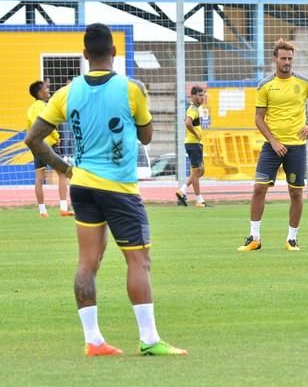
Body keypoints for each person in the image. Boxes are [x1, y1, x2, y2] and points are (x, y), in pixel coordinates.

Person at [24, 23, 187, 356]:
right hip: (119, 189)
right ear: (114, 52)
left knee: (87, 263)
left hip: (82, 186)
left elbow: (33, 139)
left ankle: (94, 340)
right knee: (139, 261)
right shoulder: (132, 88)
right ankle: (149, 339)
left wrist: (65, 169)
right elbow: (146, 137)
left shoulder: (67, 92)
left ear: (85, 55)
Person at [238, 39, 308, 252]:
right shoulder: (265, 85)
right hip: (272, 147)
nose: (287, 62)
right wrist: (273, 141)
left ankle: (291, 239)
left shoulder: (304, 83)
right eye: (283, 58)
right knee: (259, 188)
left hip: (297, 147)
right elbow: (259, 118)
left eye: (290, 58)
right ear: (275, 59)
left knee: (296, 193)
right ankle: (254, 237)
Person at [26, 80, 74, 218]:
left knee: (39, 178)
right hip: (49, 144)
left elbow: (30, 127)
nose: (49, 90)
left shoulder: (30, 109)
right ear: (40, 92)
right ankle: (63, 208)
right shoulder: (45, 107)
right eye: (46, 88)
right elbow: (47, 124)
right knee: (62, 174)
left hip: (36, 146)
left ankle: (42, 211)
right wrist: (57, 136)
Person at [175, 86, 209, 207]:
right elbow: (188, 122)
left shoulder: (196, 109)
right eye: (200, 95)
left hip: (196, 143)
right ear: (193, 96)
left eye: (203, 95)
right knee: (196, 171)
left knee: (201, 171)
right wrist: (196, 134)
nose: (202, 97)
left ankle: (182, 190)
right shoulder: (193, 109)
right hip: (193, 143)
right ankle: (199, 200)